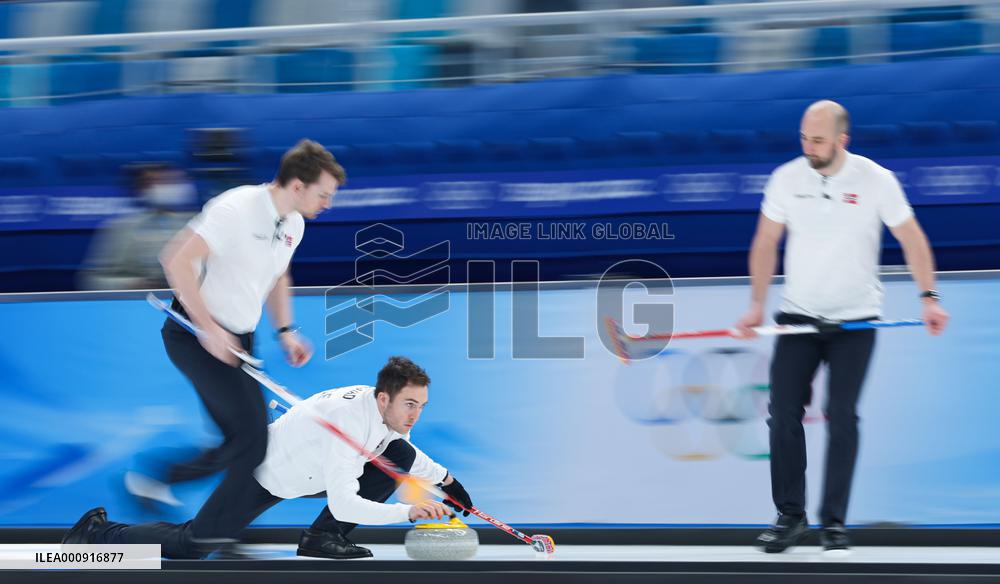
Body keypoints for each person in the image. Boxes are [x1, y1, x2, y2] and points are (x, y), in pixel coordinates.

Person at [107, 139, 345, 553]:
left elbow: (278, 276)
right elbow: (175, 259)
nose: (328, 203)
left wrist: (285, 330)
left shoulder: (294, 223)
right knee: (251, 442)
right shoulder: (236, 207)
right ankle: (217, 531)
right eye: (323, 194)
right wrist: (208, 329)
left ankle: (163, 482)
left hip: (238, 340)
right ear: (297, 185)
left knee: (244, 442)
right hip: (194, 335)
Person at [734, 100, 949, 555]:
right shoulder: (786, 178)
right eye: (804, 138)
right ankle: (790, 516)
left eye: (818, 140)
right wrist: (755, 306)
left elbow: (912, 238)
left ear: (842, 140)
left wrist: (929, 297)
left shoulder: (876, 179)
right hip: (798, 318)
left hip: (855, 320)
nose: (809, 147)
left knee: (842, 414)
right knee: (783, 413)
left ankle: (834, 523)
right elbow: (766, 241)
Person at [63, 357, 475, 560]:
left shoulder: (383, 412)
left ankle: (320, 539)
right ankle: (98, 532)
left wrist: (447, 481)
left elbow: (403, 451)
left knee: (396, 455)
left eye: (421, 406)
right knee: (193, 544)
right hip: (264, 474)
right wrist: (409, 512)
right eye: (410, 404)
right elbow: (344, 503)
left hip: (307, 470)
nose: (416, 415)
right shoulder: (349, 423)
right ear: (384, 398)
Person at [79, 163, 197, 291]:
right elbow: (92, 280)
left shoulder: (200, 223)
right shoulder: (121, 228)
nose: (168, 186)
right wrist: (131, 284)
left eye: (172, 180)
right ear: (141, 189)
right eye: (157, 182)